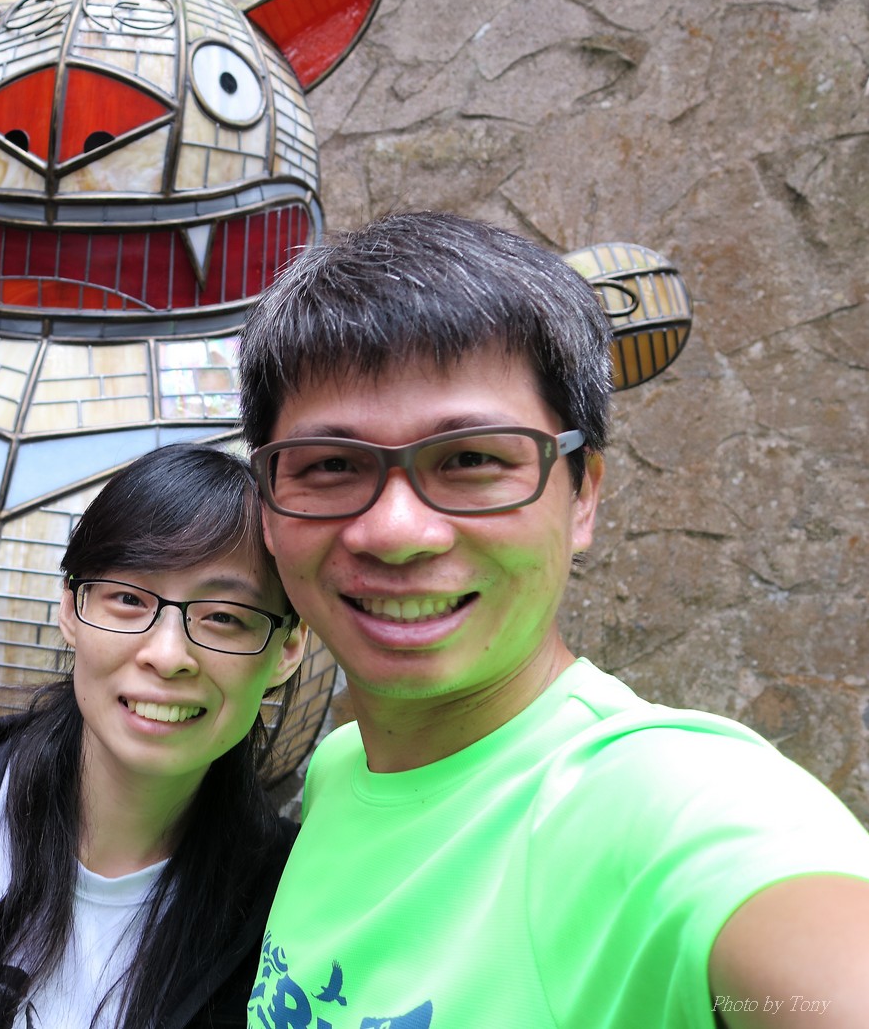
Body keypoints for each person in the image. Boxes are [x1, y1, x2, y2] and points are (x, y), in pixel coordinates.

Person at [237, 211, 869, 1029]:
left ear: (583, 497)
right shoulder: (338, 770)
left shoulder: (658, 805)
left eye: (471, 459)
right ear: (268, 511)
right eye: (329, 465)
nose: (394, 531)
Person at [0, 442, 309, 1029]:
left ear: (288, 648)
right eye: (128, 599)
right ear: (70, 607)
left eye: (224, 616)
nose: (168, 656)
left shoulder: (291, 905)